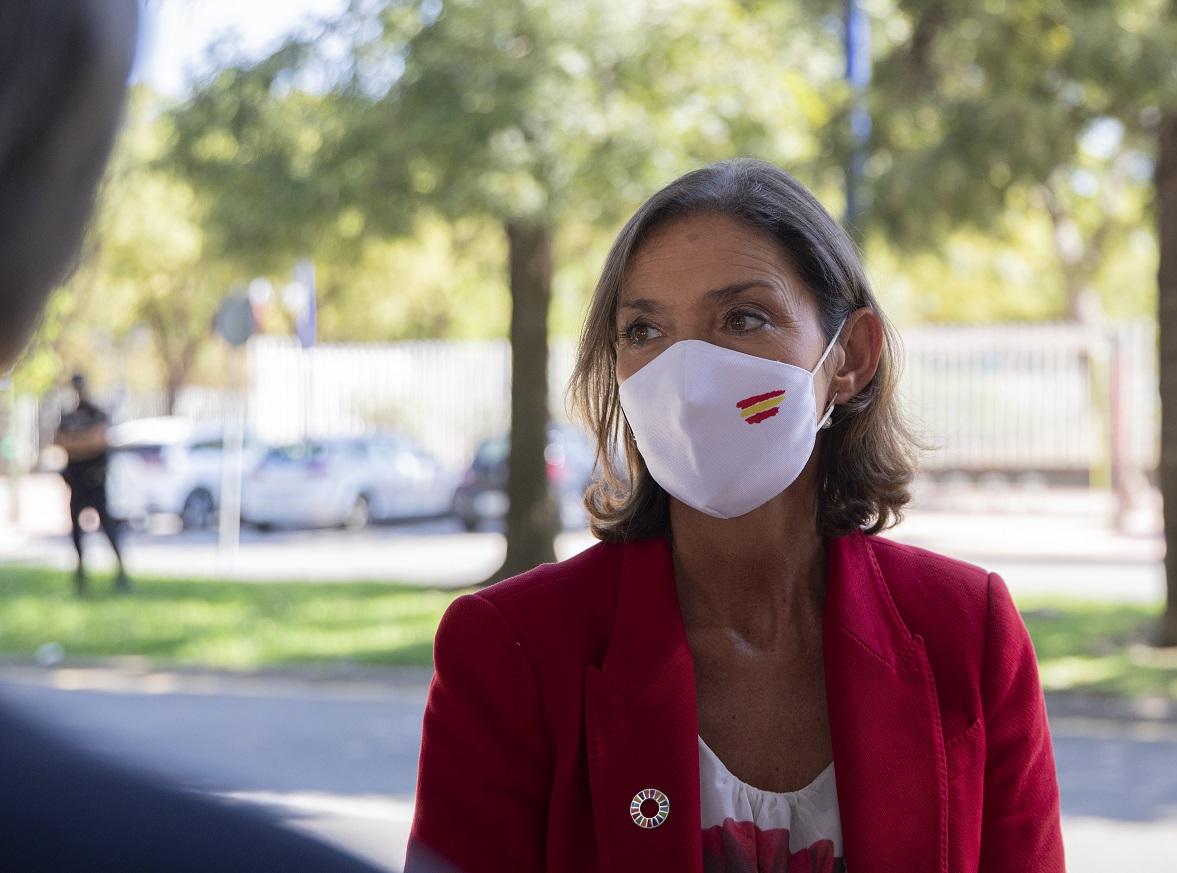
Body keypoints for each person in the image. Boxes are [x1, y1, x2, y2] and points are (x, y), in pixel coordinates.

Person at [408, 159, 1065, 872]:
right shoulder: (512, 652)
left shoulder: (968, 634)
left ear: (850, 356)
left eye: (743, 318)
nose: (688, 377)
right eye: (644, 330)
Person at [0, 2, 450, 870]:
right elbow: (70, 442)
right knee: (89, 545)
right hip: (76, 484)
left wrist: (83, 449)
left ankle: (115, 584)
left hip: (93, 484)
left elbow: (91, 442)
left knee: (110, 538)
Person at [53, 372, 129, 594]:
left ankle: (121, 573)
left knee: (108, 526)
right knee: (76, 531)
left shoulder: (96, 412)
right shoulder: (68, 416)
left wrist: (77, 443)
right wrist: (83, 442)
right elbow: (59, 441)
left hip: (95, 480)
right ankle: (80, 577)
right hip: (76, 482)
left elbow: (100, 440)